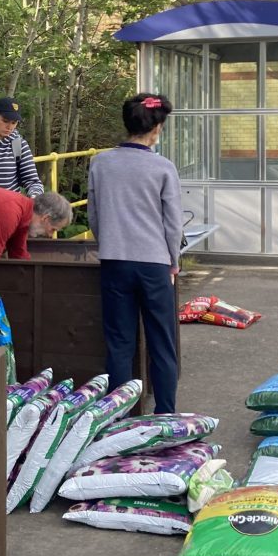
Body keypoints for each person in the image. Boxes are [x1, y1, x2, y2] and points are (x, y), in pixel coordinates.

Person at [87, 93, 182, 414]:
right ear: (155, 129)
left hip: (114, 262)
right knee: (162, 344)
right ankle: (164, 415)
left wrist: (109, 242)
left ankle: (120, 418)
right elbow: (173, 224)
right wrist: (174, 262)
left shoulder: (100, 163)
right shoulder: (163, 168)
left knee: (119, 344)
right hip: (155, 264)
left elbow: (95, 216)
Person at [0, 186, 72, 259]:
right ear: (45, 218)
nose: (50, 235)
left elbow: (19, 255)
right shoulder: (10, 212)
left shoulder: (24, 214)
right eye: (53, 229)